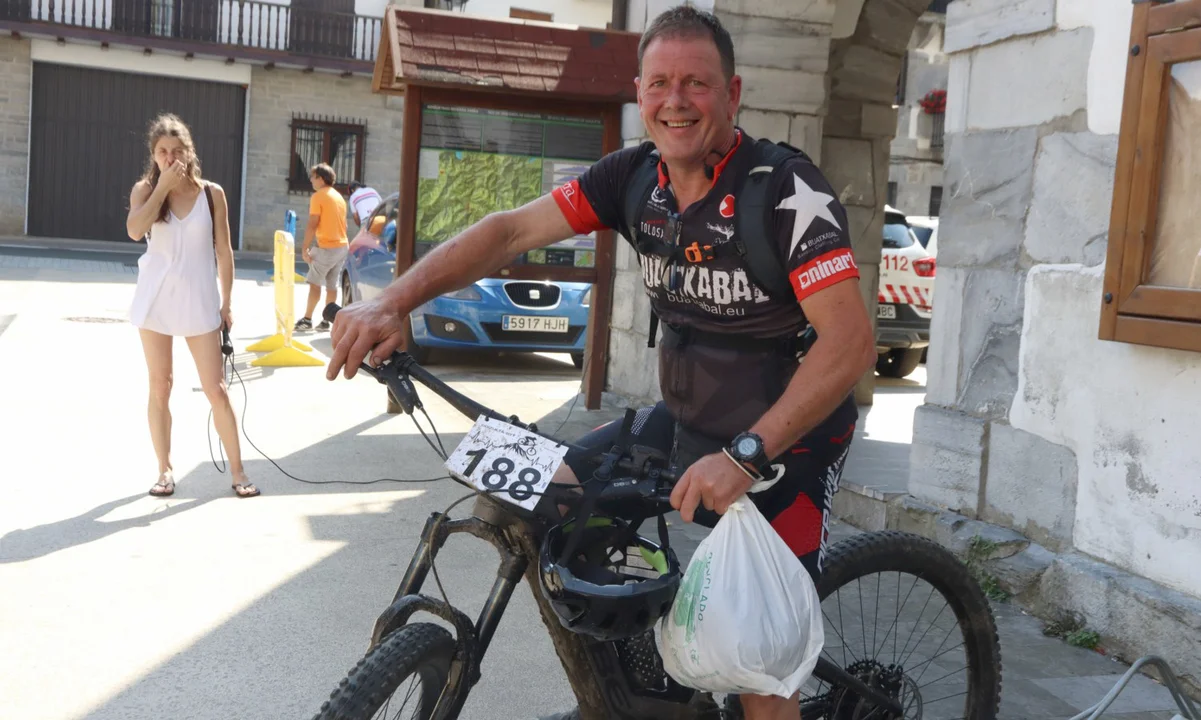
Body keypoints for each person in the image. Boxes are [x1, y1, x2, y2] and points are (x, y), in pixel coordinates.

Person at [325, 7, 875, 719]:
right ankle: (627, 695)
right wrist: (393, 301)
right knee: (541, 497)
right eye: (660, 83)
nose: (676, 100)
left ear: (732, 94)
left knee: (758, 665)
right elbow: (510, 231)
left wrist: (746, 455)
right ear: (639, 93)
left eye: (697, 83)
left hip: (786, 441)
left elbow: (849, 344)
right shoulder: (633, 179)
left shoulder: (786, 190)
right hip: (687, 419)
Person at [126, 113, 259, 499]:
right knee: (160, 386)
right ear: (154, 155)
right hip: (155, 301)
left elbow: (224, 251)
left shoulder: (211, 194)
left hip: (200, 301)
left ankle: (238, 472)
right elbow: (134, 230)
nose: (169, 157)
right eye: (162, 151)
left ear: (189, 152)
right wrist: (162, 188)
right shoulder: (144, 190)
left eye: (176, 150)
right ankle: (164, 470)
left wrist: (227, 302)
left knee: (216, 389)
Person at [295, 163, 350, 332]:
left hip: (327, 248)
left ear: (321, 178)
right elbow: (345, 225)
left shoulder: (318, 196)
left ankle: (307, 319)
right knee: (332, 285)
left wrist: (305, 247)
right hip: (342, 246)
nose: (311, 180)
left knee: (314, 283)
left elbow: (313, 223)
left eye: (313, 176)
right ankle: (327, 320)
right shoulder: (338, 197)